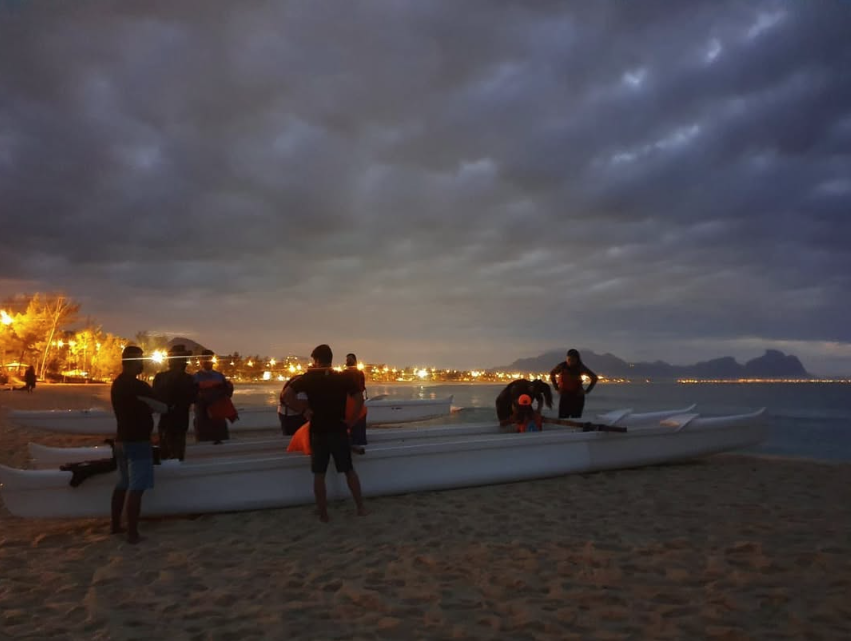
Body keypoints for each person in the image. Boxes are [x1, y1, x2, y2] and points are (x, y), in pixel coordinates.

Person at [283, 344, 367, 523]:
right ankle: (360, 508)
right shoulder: (342, 378)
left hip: (319, 431)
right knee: (349, 470)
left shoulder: (308, 378)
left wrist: (303, 410)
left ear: (317, 360)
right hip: (339, 429)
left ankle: (324, 515)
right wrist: (351, 420)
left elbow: (287, 395)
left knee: (319, 474)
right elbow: (359, 398)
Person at [110, 345, 167, 544]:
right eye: (141, 360)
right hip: (138, 441)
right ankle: (132, 533)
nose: (143, 364)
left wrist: (144, 407)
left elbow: (133, 406)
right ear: (135, 362)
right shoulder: (138, 386)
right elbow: (163, 407)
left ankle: (115, 525)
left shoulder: (117, 384)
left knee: (122, 483)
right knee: (137, 487)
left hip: (120, 440)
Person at [152, 344, 197, 460]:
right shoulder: (188, 379)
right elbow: (194, 398)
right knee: (177, 457)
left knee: (165, 456)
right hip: (180, 424)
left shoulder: (160, 377)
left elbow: (155, 399)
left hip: (165, 423)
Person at [193, 349, 235, 443]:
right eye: (205, 359)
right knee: (204, 443)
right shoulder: (196, 377)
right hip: (203, 415)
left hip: (217, 415)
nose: (207, 361)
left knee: (218, 441)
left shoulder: (218, 376)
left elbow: (228, 394)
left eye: (209, 359)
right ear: (200, 361)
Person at [550, 349, 598, 418]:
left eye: (573, 360)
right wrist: (556, 388)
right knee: (563, 419)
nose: (570, 362)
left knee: (575, 419)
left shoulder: (580, 367)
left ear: (577, 360)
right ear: (566, 358)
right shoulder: (562, 366)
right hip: (565, 395)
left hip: (577, 397)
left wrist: (587, 391)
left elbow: (594, 378)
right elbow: (552, 374)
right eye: (569, 359)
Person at [342, 352, 368, 448]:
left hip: (355, 410)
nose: (347, 362)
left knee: (356, 438)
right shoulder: (356, 373)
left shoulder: (352, 374)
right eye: (347, 360)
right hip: (356, 410)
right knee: (357, 439)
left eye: (349, 360)